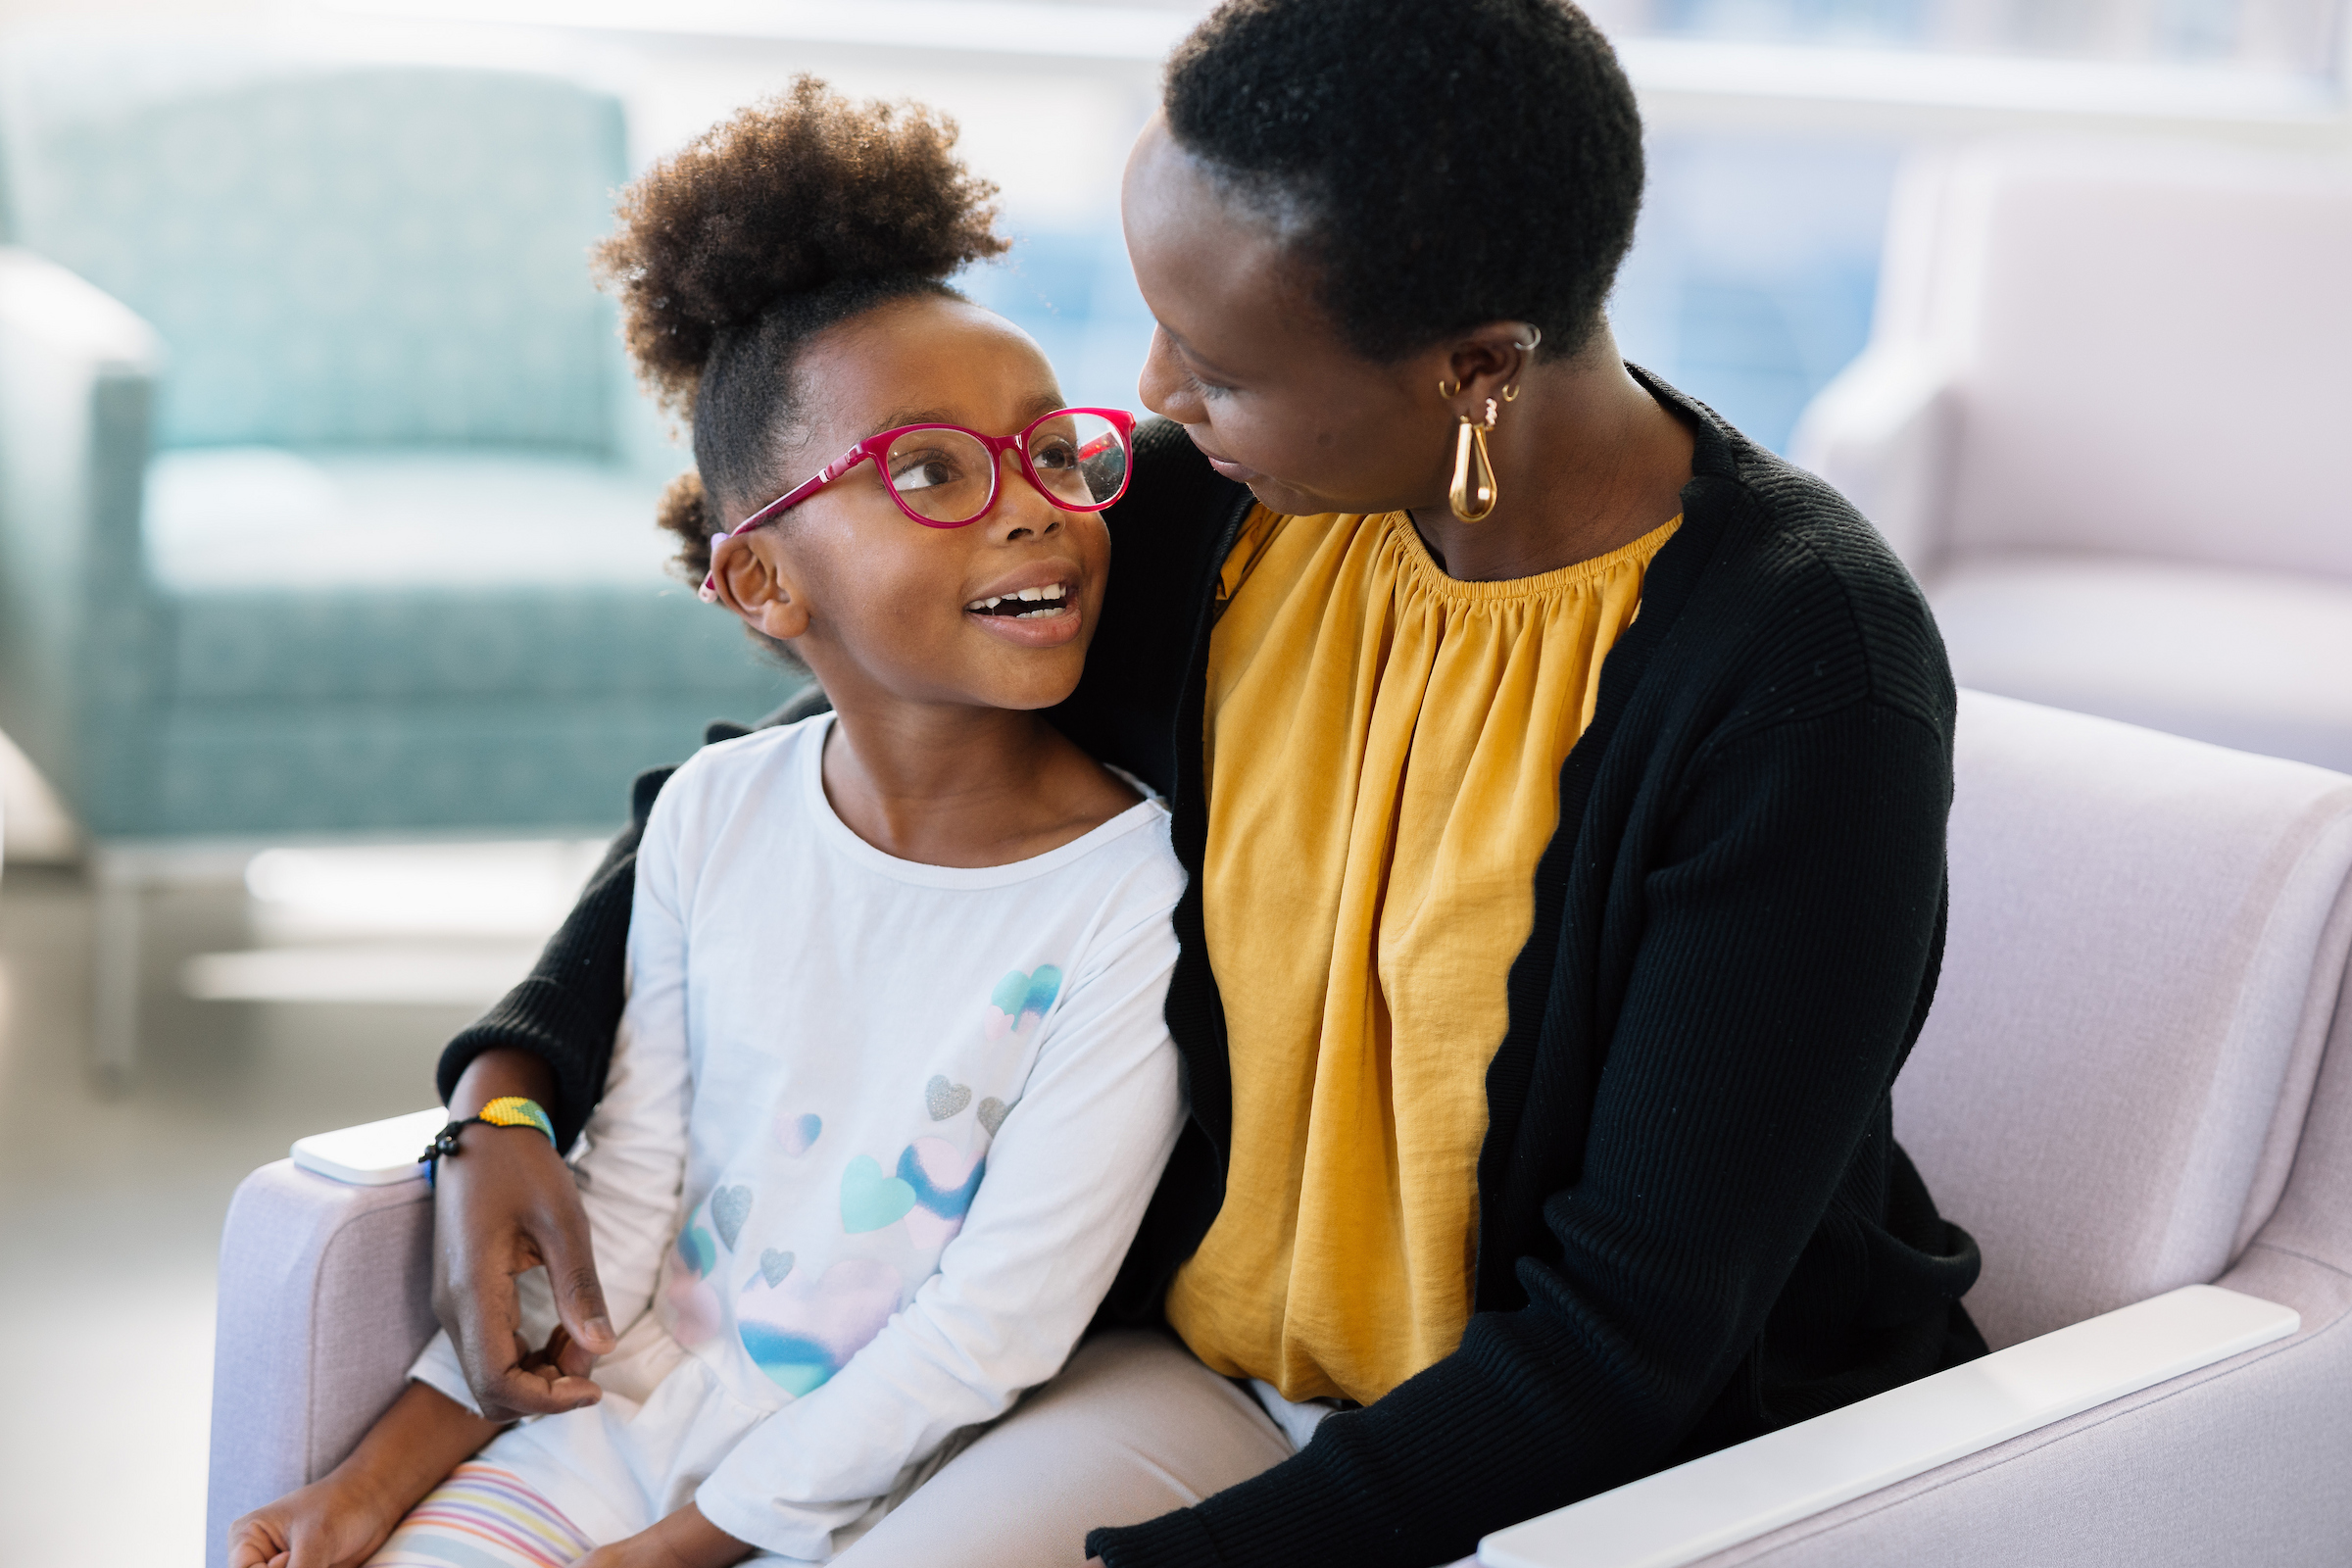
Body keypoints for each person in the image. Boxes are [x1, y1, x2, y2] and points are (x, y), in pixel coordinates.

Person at [429, 3, 1987, 1564]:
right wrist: (510, 1086)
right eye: (1156, 319)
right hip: (1208, 1376)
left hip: (1627, 1468)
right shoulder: (1229, 518)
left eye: (1224, 366)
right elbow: (774, 788)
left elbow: (1631, 1338)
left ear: (1477, 371)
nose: (1158, 390)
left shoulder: (1805, 679)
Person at [228, 83, 1190, 1568]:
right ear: (762, 587)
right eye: (927, 471)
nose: (1032, 506)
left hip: (883, 1495)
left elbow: (992, 1327)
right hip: (601, 1445)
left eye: (1052, 450)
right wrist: (368, 1484)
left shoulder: (1127, 897)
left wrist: (672, 1553)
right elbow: (615, 1209)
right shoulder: (710, 819)